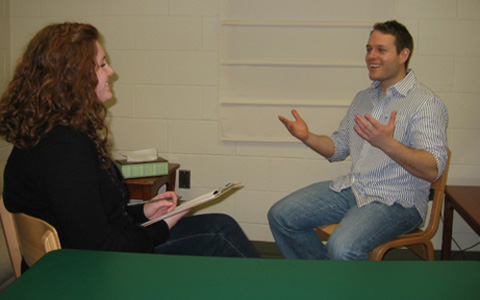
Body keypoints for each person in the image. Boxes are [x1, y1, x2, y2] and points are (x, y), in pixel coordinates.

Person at [0, 22, 259, 260]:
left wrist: (145, 212)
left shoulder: (44, 133)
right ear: (73, 77)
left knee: (218, 227)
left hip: (82, 255)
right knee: (220, 232)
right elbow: (104, 248)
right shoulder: (64, 149)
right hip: (87, 271)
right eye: (101, 64)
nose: (111, 71)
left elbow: (86, 218)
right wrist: (164, 225)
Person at [268, 20, 448, 260]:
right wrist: (307, 137)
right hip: (356, 188)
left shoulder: (425, 103)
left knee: (343, 247)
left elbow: (432, 169)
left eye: (381, 50)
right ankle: (322, 283)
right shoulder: (363, 98)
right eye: (369, 49)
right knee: (282, 216)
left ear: (403, 54)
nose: (371, 56)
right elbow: (338, 148)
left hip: (398, 201)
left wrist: (387, 143)